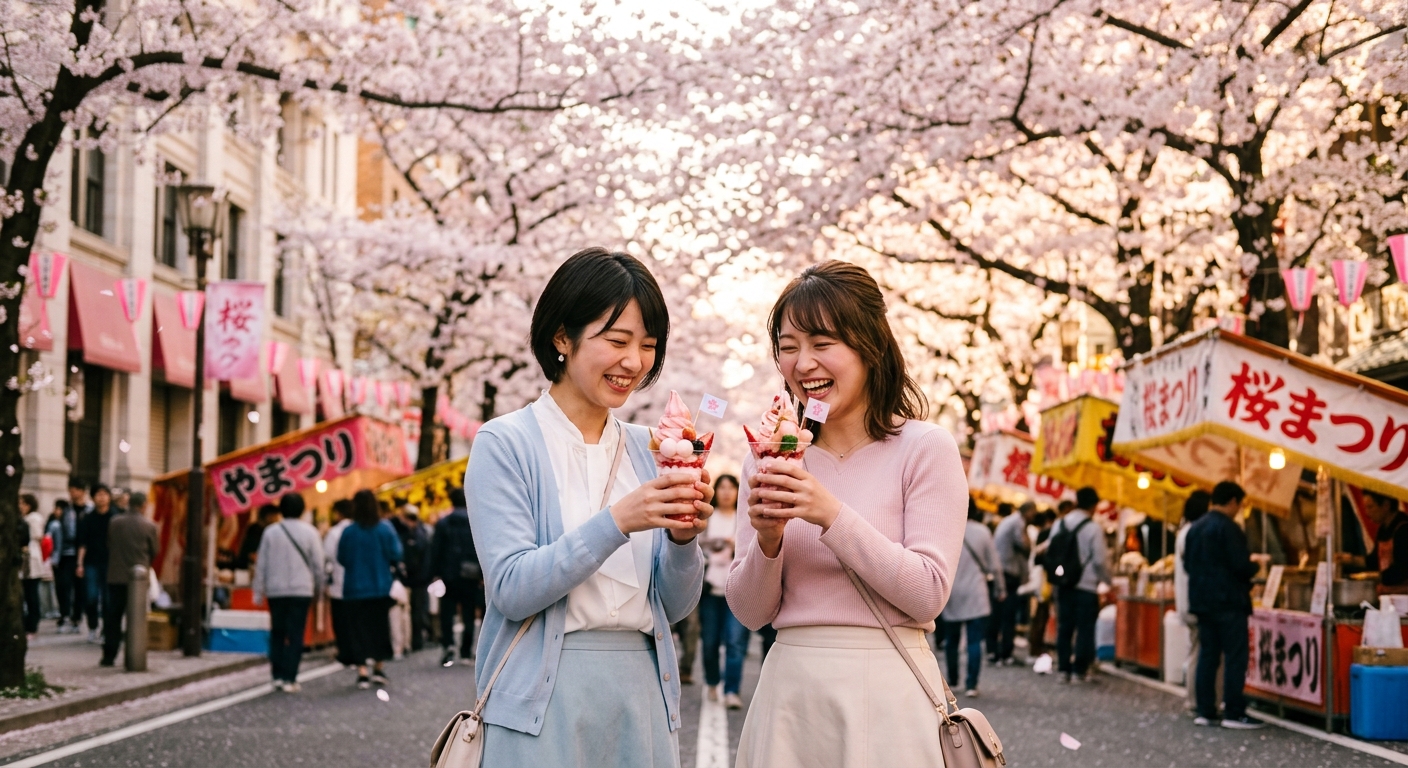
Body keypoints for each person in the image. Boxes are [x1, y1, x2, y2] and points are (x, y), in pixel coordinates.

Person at [468, 247, 711, 766]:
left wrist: (684, 540)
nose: (634, 362)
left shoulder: (652, 448)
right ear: (562, 337)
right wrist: (619, 521)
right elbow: (511, 589)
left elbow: (674, 606)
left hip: (642, 693)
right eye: (617, 340)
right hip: (541, 705)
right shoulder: (505, 442)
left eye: (648, 345)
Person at [727, 261, 967, 767]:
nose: (803, 363)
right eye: (788, 347)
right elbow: (750, 612)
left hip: (891, 692)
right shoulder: (769, 454)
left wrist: (829, 514)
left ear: (869, 345)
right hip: (791, 692)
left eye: (822, 343)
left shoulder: (925, 448)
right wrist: (768, 539)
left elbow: (927, 592)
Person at [1185, 481, 1267, 729]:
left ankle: (1205, 710)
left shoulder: (1194, 529)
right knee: (1234, 657)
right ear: (1232, 501)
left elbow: (1188, 566)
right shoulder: (1229, 529)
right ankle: (1233, 711)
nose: (1239, 509)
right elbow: (1240, 565)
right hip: (1229, 602)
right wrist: (1255, 566)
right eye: (1239, 504)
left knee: (1208, 656)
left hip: (1202, 601)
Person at [253, 493, 325, 691]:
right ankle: (290, 678)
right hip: (301, 590)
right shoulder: (311, 533)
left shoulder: (270, 532)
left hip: (276, 590)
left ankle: (276, 675)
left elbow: (262, 564)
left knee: (277, 632)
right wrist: (319, 590)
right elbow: (318, 565)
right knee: (296, 634)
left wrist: (258, 591)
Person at [339, 489, 403, 689]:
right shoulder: (385, 528)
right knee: (379, 629)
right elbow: (396, 553)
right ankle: (378, 668)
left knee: (357, 631)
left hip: (354, 589)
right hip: (379, 587)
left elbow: (342, 558)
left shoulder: (349, 531)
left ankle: (362, 672)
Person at [941, 499, 1005, 697]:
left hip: (952, 591)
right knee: (974, 641)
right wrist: (1000, 588)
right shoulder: (983, 532)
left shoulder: (946, 530)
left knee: (951, 640)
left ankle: (952, 680)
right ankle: (971, 684)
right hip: (976, 592)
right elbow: (994, 565)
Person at [1050, 486, 1110, 684]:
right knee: (1085, 629)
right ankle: (1079, 671)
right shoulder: (1093, 528)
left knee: (1064, 627)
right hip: (1086, 586)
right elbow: (1100, 560)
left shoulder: (1059, 524)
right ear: (1093, 505)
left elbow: (1052, 551)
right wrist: (1107, 581)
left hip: (1063, 583)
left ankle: (1063, 670)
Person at [698, 474, 748, 709]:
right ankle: (711, 682)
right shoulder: (707, 517)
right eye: (722, 488)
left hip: (737, 590)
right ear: (715, 491)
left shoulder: (743, 519)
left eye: (731, 488)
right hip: (710, 590)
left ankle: (731, 690)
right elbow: (695, 546)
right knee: (709, 642)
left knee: (735, 642)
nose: (727, 492)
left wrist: (733, 544)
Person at [101, 491, 158, 667]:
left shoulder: (115, 522)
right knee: (136, 618)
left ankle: (109, 655)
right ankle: (135, 655)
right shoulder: (149, 526)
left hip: (116, 576)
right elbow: (155, 551)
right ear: (143, 505)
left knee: (113, 617)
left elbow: (109, 544)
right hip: (138, 579)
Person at [426, 487, 481, 667]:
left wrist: (434, 574)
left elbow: (435, 551)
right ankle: (466, 650)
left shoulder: (443, 523)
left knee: (447, 612)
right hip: (471, 574)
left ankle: (448, 645)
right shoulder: (475, 521)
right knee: (468, 612)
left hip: (448, 575)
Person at [1174, 489, 1211, 711]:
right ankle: (1195, 699)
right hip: (1195, 601)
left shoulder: (1184, 532)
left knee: (1195, 649)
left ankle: (1193, 698)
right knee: (1200, 651)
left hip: (1187, 601)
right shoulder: (1194, 533)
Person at [1338, 491, 1408, 593]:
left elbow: (1403, 570)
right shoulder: (1383, 529)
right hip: (1387, 594)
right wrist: (1350, 559)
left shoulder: (1404, 529)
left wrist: (1372, 576)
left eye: (1370, 507)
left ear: (1386, 505)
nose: (1367, 513)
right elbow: (1374, 561)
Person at [992, 501, 1035, 665]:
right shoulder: (1017, 523)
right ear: (1028, 511)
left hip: (1004, 570)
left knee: (999, 613)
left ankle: (995, 651)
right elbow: (1024, 544)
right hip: (1009, 572)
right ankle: (1005, 652)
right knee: (1008, 615)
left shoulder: (1010, 521)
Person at [77, 484, 115, 643]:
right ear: (93, 498)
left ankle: (107, 630)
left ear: (109, 497)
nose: (101, 497)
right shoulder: (88, 518)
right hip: (91, 562)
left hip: (110, 563)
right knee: (91, 597)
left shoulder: (115, 517)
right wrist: (79, 564)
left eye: (104, 494)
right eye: (98, 494)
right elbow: (82, 543)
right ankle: (92, 627)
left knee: (108, 599)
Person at [394, 504, 432, 651]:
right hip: (419, 579)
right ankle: (415, 640)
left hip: (411, 578)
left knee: (410, 611)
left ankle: (412, 641)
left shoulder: (408, 534)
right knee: (416, 610)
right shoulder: (423, 532)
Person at [323, 498, 355, 667]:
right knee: (355, 620)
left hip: (338, 583)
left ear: (338, 513)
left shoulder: (334, 532)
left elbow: (327, 556)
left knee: (341, 621)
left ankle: (345, 652)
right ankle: (358, 652)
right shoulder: (359, 529)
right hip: (357, 584)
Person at [1024, 508, 1059, 660]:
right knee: (1041, 613)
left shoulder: (1042, 533)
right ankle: (1035, 647)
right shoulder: (1049, 534)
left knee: (1040, 612)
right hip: (1044, 578)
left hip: (1041, 576)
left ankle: (1035, 645)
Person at [48, 499, 80, 633]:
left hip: (69, 557)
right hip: (57, 560)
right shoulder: (53, 523)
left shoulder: (68, 522)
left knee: (68, 587)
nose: (57, 511)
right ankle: (64, 614)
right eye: (56, 508)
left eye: (60, 509)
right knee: (61, 588)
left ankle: (70, 616)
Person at [21, 494, 50, 638]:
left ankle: (32, 625)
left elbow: (38, 537)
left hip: (30, 559)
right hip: (29, 558)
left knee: (31, 594)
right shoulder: (28, 518)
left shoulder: (33, 519)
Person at [236, 505, 279, 570]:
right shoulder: (254, 530)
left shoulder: (272, 532)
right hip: (249, 569)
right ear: (268, 517)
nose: (277, 520)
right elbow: (249, 554)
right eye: (275, 516)